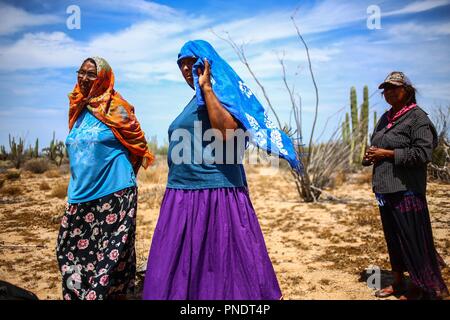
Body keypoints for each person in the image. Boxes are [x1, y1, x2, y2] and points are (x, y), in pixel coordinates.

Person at [142, 40, 300, 300]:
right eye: (181, 66)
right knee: (182, 266)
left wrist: (206, 88)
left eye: (190, 63)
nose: (185, 70)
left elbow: (226, 132)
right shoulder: (194, 101)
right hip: (183, 193)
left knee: (226, 265)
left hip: (216, 192)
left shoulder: (223, 96)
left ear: (206, 64)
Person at [56, 57, 154, 300]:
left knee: (108, 260)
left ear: (103, 78)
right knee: (67, 250)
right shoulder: (78, 108)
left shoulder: (116, 107)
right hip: (79, 194)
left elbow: (138, 144)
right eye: (82, 72)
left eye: (91, 74)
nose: (84, 78)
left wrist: (122, 177)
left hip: (115, 193)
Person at [364, 71, 449, 300]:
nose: (389, 92)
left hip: (407, 190)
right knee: (394, 238)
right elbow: (377, 144)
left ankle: (418, 287)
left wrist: (387, 153)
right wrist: (372, 155)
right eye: (386, 89)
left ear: (406, 91)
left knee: (412, 239)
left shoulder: (417, 118)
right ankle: (398, 281)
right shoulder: (386, 117)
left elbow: (423, 153)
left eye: (394, 88)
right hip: (385, 188)